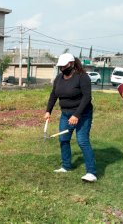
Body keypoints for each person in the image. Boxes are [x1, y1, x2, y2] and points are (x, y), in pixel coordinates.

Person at [44, 53, 97, 182]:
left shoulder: (82, 77)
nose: (62, 68)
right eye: (60, 67)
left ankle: (91, 173)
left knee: (82, 140)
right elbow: (53, 95)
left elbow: (87, 97)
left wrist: (76, 115)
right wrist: (48, 111)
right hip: (66, 114)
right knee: (63, 139)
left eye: (64, 66)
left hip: (82, 114)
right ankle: (66, 166)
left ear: (71, 64)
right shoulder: (59, 78)